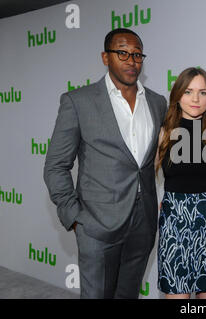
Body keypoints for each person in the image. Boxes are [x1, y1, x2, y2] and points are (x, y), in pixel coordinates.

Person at [43, 28, 167, 298]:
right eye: (122, 53)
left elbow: (160, 156)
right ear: (105, 57)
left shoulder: (157, 103)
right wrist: (75, 217)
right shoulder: (78, 101)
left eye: (137, 55)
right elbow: (55, 165)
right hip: (96, 227)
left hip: (143, 224)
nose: (131, 61)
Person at [155, 67, 206, 299]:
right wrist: (162, 202)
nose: (196, 99)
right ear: (177, 95)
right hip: (174, 223)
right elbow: (145, 174)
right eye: (188, 92)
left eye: (202, 92)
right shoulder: (164, 133)